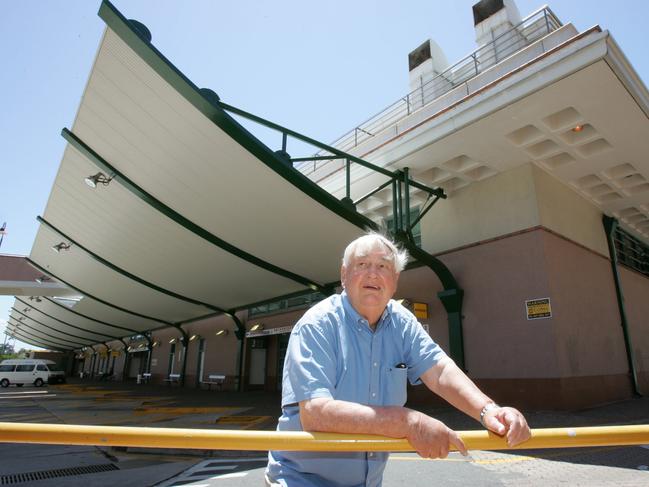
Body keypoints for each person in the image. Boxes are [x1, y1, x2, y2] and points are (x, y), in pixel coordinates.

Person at [266, 232, 531, 486]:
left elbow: (439, 372)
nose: (372, 273)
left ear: (395, 279)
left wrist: (489, 411)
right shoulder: (317, 324)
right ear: (343, 275)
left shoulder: (401, 321)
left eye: (383, 266)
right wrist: (408, 422)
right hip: (300, 479)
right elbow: (315, 414)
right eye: (362, 264)